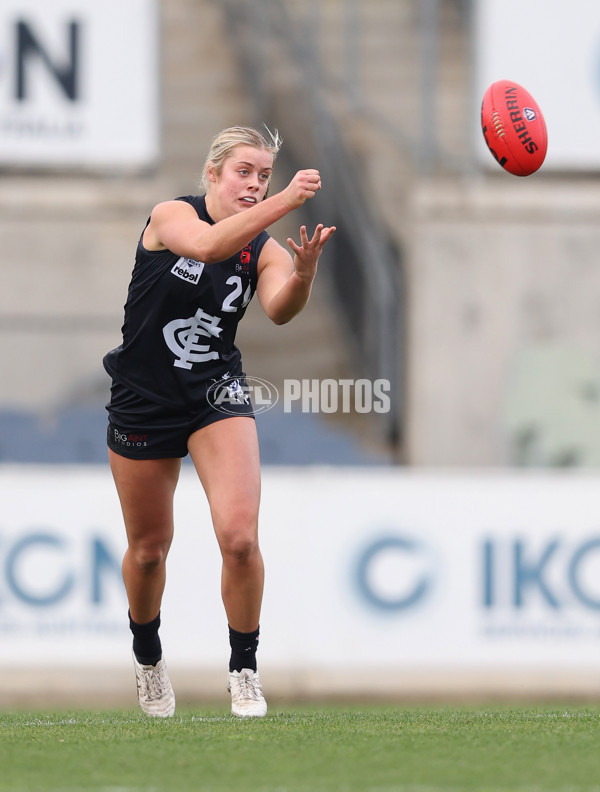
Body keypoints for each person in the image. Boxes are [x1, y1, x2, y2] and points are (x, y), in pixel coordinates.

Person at [103, 126, 335, 718]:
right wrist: (286, 198)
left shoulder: (265, 248)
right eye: (245, 173)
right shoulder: (170, 216)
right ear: (213, 174)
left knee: (239, 538)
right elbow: (206, 248)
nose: (256, 185)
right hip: (144, 395)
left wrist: (303, 273)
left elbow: (281, 310)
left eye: (263, 175)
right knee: (150, 549)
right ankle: (149, 660)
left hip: (215, 391)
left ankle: (244, 669)